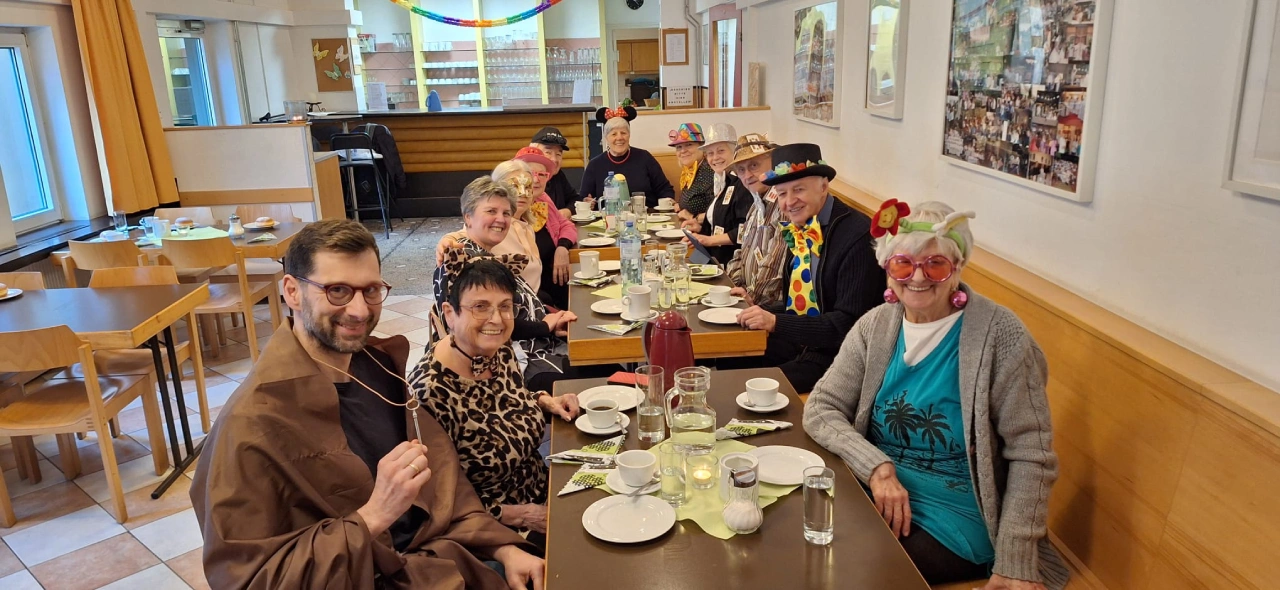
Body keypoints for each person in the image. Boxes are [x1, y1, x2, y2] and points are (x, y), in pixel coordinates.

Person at [190, 219, 544, 590]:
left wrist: (503, 548)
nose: (359, 310)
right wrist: (373, 516)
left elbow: (444, 485)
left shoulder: (376, 368)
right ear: (292, 292)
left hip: (441, 562)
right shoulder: (250, 424)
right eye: (338, 291)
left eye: (371, 290)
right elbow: (248, 578)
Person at [803, 202, 1067, 590]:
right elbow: (822, 407)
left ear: (957, 267)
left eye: (935, 265)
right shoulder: (875, 326)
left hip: (956, 512)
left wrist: (1015, 559)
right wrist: (876, 467)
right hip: (878, 489)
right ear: (887, 268)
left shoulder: (1001, 336)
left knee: (846, 572)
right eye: (903, 264)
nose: (918, 277)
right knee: (798, 537)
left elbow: (1032, 452)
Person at [409, 257, 580, 547]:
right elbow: (436, 501)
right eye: (480, 307)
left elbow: (505, 403)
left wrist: (543, 400)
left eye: (504, 306)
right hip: (493, 530)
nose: (497, 320)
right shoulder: (428, 393)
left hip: (544, 489)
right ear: (450, 314)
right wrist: (522, 515)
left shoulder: (498, 351)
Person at [734, 143, 884, 392]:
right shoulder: (802, 226)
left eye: (799, 189)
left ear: (823, 186)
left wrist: (775, 322)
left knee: (745, 387)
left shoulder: (857, 236)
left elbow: (849, 325)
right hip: (804, 342)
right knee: (732, 354)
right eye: (782, 193)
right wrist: (758, 308)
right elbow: (801, 303)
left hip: (840, 357)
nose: (789, 202)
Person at [432, 177, 585, 393]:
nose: (501, 219)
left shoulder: (486, 255)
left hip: (538, 346)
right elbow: (488, 324)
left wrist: (551, 320)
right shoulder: (467, 261)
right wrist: (544, 326)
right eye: (491, 211)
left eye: (506, 213)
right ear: (468, 217)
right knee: (611, 376)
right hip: (515, 368)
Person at [725, 133, 787, 308]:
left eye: (754, 165)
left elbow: (774, 265)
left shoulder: (784, 204)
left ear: (772, 164)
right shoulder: (756, 203)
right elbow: (742, 252)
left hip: (769, 308)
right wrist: (733, 286)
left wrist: (750, 297)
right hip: (747, 299)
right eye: (741, 170)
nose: (748, 175)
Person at [514, 146, 577, 309]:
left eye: (542, 174)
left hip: (557, 284)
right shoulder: (507, 211)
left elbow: (566, 224)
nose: (536, 180)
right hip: (530, 299)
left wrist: (562, 247)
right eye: (530, 174)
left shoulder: (543, 199)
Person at [578, 106, 674, 208]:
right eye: (614, 134)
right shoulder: (595, 165)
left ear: (629, 135)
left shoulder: (645, 158)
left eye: (623, 133)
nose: (619, 138)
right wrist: (587, 203)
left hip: (645, 215)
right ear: (606, 138)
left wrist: (667, 203)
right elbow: (584, 198)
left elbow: (665, 189)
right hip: (608, 217)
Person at [682, 123, 752, 264]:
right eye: (710, 153)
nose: (715, 158)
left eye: (721, 151)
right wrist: (700, 228)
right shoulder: (723, 181)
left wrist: (710, 240)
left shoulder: (742, 183)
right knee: (677, 265)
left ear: (734, 152)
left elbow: (746, 230)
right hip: (711, 255)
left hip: (731, 263)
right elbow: (722, 222)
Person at [668, 122, 714, 221]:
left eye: (689, 145)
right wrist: (679, 205)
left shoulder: (709, 171)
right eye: (679, 147)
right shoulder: (689, 171)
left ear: (702, 147)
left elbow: (720, 213)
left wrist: (693, 218)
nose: (683, 151)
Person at [529, 126, 578, 218]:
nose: (554, 159)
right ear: (533, 152)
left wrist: (567, 211)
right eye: (548, 152)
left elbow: (575, 199)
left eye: (558, 154)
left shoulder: (558, 175)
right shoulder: (525, 178)